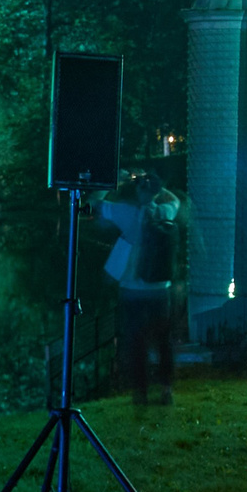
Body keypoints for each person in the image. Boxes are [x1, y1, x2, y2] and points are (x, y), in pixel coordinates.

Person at [103, 172, 176, 405]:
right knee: (163, 341)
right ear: (155, 191)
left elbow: (94, 202)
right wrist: (158, 187)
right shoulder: (166, 212)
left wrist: (120, 181)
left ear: (138, 190)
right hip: (160, 289)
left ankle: (141, 392)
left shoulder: (125, 213)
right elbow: (175, 200)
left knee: (136, 343)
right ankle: (166, 389)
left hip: (132, 291)